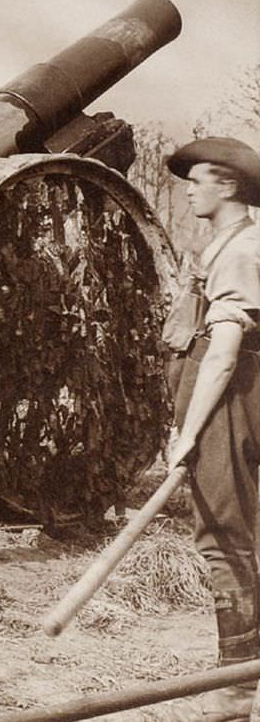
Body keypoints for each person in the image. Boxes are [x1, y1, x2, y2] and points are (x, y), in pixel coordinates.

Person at [158, 137, 260, 722]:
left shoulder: (242, 250)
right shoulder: (227, 244)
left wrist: (188, 433)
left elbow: (223, 352)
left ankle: (236, 691)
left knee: (222, 538)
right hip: (226, 394)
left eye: (198, 180)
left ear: (229, 185)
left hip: (228, 399)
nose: (190, 189)